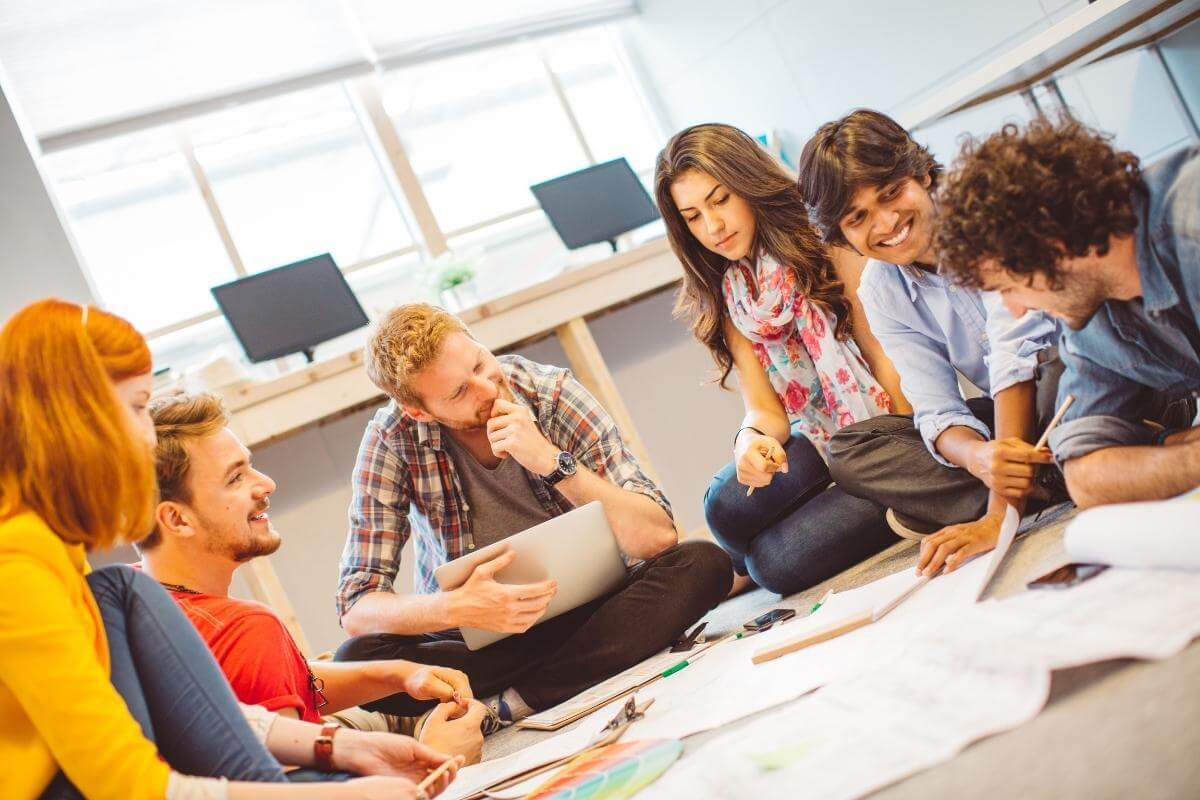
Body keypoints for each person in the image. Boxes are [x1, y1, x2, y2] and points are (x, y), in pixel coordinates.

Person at [0, 299, 459, 800]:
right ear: (77, 422)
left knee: (119, 587)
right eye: (136, 407)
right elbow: (132, 787)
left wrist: (340, 748)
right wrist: (344, 793)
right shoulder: (17, 572)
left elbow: (176, 707)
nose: (146, 433)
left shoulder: (55, 549)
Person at [334, 303, 732, 726]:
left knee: (703, 564)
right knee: (357, 659)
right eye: (458, 393)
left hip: (596, 605)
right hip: (485, 635)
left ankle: (513, 702)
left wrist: (549, 460)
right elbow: (357, 605)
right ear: (420, 411)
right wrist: (456, 608)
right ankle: (589, 659)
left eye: (480, 364)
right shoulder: (392, 439)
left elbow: (656, 537)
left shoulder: (551, 392)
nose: (486, 389)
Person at [138, 392, 486, 765]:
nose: (266, 483)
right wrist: (433, 761)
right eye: (236, 478)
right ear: (176, 519)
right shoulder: (247, 631)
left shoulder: (133, 597)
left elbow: (264, 685)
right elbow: (293, 787)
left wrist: (398, 674)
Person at [798, 109, 1064, 576]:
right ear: (842, 235)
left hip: (1079, 373)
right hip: (1016, 417)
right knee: (852, 449)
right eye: (858, 218)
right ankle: (1059, 471)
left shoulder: (983, 209)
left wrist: (999, 516)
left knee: (1056, 371)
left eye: (891, 193)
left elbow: (1015, 355)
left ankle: (1038, 480)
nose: (886, 223)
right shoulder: (881, 289)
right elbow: (938, 408)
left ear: (920, 173)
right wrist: (980, 456)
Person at [652, 122, 906, 595]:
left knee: (777, 565)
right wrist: (749, 442)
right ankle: (748, 558)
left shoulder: (827, 240)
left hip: (885, 426)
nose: (713, 227)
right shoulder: (732, 289)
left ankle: (750, 565)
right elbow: (767, 411)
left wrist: (907, 451)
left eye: (720, 200)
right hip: (818, 433)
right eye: (692, 216)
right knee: (724, 507)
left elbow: (884, 356)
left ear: (749, 182)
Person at [934, 116, 1199, 508]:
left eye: (1009, 287)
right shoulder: (1093, 321)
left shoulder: (1189, 223)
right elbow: (1085, 475)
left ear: (1051, 245)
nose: (1018, 309)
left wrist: (1160, 456)